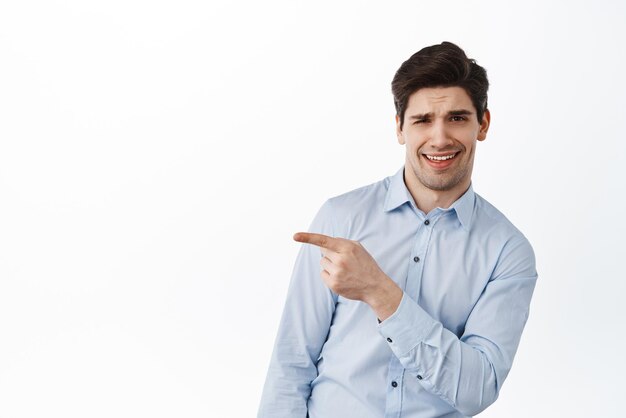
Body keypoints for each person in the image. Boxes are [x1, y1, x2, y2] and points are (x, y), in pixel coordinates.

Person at [258, 41, 538, 418]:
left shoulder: (507, 251)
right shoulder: (341, 218)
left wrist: (379, 291)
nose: (439, 138)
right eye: (422, 120)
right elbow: (291, 363)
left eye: (456, 118)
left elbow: (476, 390)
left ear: (482, 124)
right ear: (399, 128)